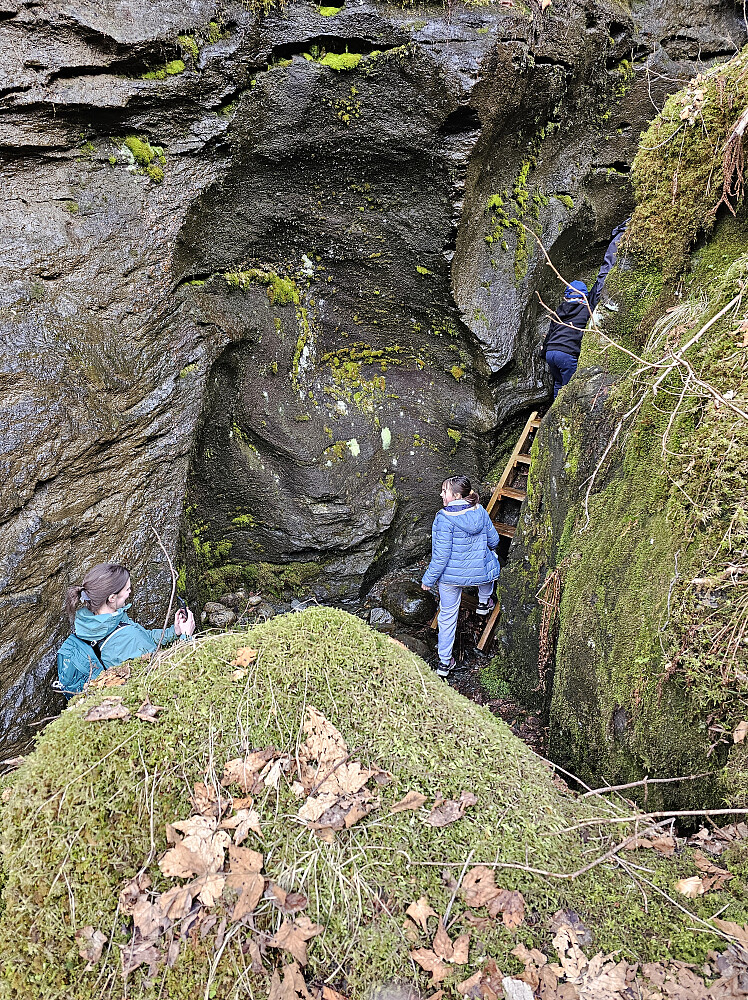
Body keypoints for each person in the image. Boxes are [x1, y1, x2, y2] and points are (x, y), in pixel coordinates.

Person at [58, 562, 195, 693]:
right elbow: (165, 674)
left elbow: (144, 638)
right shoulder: (126, 638)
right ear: (112, 598)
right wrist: (186, 636)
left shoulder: (95, 622)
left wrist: (174, 631)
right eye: (127, 589)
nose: (130, 592)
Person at [421, 476, 500, 678]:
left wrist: (428, 580)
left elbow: (440, 556)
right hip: (479, 573)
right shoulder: (480, 511)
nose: (441, 494)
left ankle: (444, 664)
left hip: (450, 578)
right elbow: (494, 540)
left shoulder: (443, 518)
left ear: (455, 495)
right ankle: (484, 602)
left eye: (444, 491)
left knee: (447, 617)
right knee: (490, 560)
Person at [541, 218, 629, 398]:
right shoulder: (586, 309)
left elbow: (550, 335)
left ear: (566, 296)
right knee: (568, 388)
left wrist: (544, 352)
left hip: (551, 353)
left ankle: (552, 409)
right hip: (567, 353)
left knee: (558, 383)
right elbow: (599, 287)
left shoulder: (558, 312)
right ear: (583, 296)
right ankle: (560, 415)